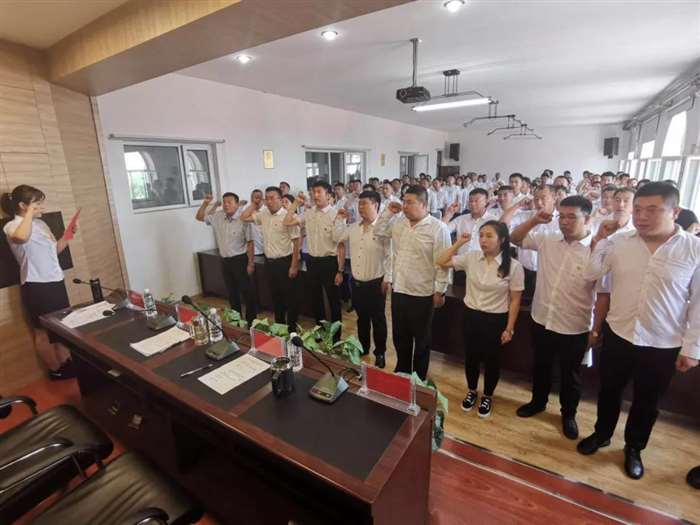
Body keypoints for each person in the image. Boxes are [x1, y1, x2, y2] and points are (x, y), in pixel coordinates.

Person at [578, 182, 700, 480]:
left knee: (647, 401)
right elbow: (591, 273)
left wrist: (692, 348)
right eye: (638, 210)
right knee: (609, 390)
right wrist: (600, 240)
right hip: (619, 333)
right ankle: (602, 434)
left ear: (675, 211)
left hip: (663, 342)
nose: (641, 217)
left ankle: (633, 447)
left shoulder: (693, 249)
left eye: (652, 210)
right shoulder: (619, 241)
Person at [511, 196, 597, 439]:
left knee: (571, 376)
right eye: (562, 216)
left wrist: (596, 329)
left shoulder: (596, 249)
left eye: (572, 217)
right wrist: (534, 220)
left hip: (574, 325)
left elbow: (604, 292)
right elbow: (515, 238)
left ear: (588, 219)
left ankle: (568, 414)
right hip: (542, 318)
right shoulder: (548, 239)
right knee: (541, 366)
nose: (565, 222)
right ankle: (538, 402)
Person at [437, 221, 523, 418]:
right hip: (471, 315)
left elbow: (515, 300)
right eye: (481, 235)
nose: (483, 240)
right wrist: (459, 243)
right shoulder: (472, 257)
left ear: (502, 239)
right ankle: (472, 391)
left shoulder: (514, 266)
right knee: (471, 357)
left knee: (493, 360)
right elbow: (441, 261)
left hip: (496, 319)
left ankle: (488, 396)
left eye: (489, 236)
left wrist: (509, 328)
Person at [375, 185, 451, 380]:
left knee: (422, 340)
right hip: (400, 289)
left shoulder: (438, 228)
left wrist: (440, 290)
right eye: (404, 202)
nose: (405, 206)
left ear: (423, 204)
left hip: (423, 293)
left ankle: (418, 379)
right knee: (400, 336)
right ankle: (402, 372)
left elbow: (442, 263)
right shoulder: (399, 223)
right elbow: (379, 230)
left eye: (410, 202)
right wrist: (388, 212)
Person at [2, 185, 78, 380]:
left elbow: (54, 251)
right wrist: (29, 213)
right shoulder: (12, 226)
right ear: (23, 206)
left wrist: (67, 236)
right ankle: (55, 370)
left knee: (62, 327)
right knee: (42, 331)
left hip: (55, 281)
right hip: (36, 285)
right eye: (37, 203)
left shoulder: (42, 224)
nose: (41, 207)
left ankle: (67, 363)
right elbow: (21, 237)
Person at [334, 190, 390, 368]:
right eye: (359, 204)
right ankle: (363, 348)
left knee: (378, 320)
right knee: (362, 319)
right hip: (357, 283)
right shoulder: (353, 228)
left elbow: (391, 255)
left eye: (364, 203)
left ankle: (380, 352)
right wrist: (340, 219)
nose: (360, 207)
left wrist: (387, 278)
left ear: (376, 205)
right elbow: (337, 237)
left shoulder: (383, 229)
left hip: (376, 283)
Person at [284, 181, 344, 337]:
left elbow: (340, 245)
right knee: (316, 299)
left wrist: (340, 270)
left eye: (319, 192)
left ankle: (336, 337)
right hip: (312, 261)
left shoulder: (336, 214)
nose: (315, 195)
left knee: (333, 301)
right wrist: (296, 203)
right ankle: (320, 332)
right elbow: (287, 221)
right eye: (313, 192)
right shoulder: (308, 213)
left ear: (328, 195)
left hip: (329, 262)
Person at [241, 187, 301, 331]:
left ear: (280, 199)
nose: (269, 201)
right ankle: (280, 327)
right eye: (266, 198)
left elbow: (296, 242)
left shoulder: (288, 216)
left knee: (290, 298)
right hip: (269, 262)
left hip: (285, 262)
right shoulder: (264, 214)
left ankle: (292, 329)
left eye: (272, 198)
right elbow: (244, 217)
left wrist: (294, 266)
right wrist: (254, 204)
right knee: (276, 297)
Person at [196, 192, 257, 324]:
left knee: (247, 292)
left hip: (240, 260)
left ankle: (251, 321)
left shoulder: (243, 218)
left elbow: (250, 243)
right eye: (224, 202)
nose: (226, 205)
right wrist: (206, 203)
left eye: (230, 202)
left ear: (237, 204)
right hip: (225, 260)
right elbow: (199, 217)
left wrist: (251, 263)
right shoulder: (218, 216)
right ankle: (236, 320)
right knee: (232, 292)